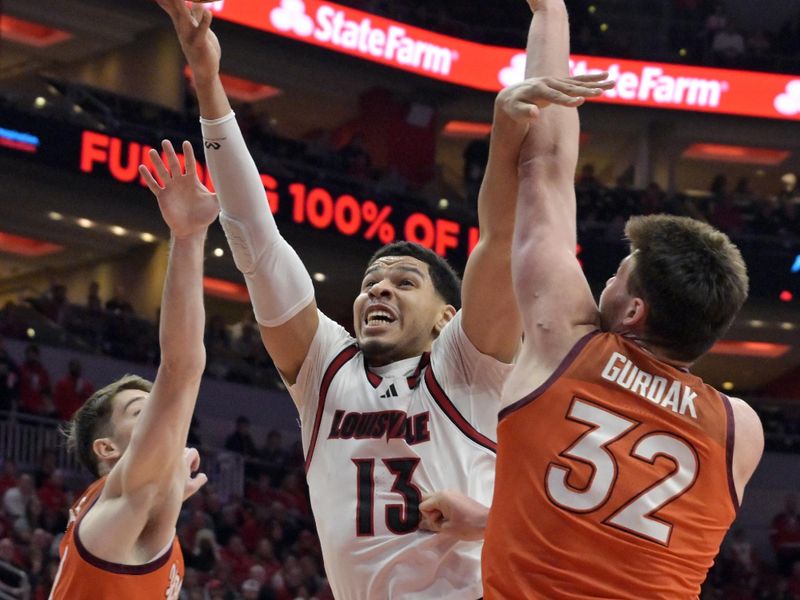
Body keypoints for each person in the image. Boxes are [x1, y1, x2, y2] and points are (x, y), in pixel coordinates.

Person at [155, 1, 610, 597]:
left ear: (448, 317)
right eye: (372, 281)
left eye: (403, 282)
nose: (378, 289)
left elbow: (503, 239)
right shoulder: (324, 373)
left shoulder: (466, 367)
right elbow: (256, 243)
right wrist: (209, 84)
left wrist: (502, 138)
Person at [420, 1, 765, 598]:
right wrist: (488, 520)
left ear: (634, 312)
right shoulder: (741, 430)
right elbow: (614, 526)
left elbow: (545, 169)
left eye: (617, 276)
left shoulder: (566, 344)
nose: (602, 282)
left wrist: (550, 14)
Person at [49, 140, 217, 599]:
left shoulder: (132, 517)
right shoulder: (124, 503)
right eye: (141, 412)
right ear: (108, 448)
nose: (161, 418)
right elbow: (181, 368)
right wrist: (188, 237)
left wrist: (169, 491)